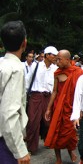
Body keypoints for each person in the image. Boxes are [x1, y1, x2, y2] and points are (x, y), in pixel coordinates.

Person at [44, 50, 83, 164]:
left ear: (67, 59)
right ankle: (58, 159)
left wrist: (80, 109)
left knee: (70, 133)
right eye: (56, 59)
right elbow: (55, 91)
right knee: (56, 131)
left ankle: (70, 150)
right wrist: (48, 108)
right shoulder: (57, 73)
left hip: (72, 107)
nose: (57, 62)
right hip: (59, 106)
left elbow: (82, 92)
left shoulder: (78, 72)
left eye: (59, 59)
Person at [0, 21, 30, 163]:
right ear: (24, 43)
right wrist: (20, 151)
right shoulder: (15, 69)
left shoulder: (2, 64)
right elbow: (9, 113)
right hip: (4, 140)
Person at [26, 46, 58, 154]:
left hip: (48, 97)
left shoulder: (55, 69)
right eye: (54, 55)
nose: (55, 57)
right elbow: (27, 82)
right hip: (35, 96)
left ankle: (47, 140)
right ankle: (31, 147)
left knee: (48, 121)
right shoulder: (35, 66)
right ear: (47, 55)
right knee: (33, 122)